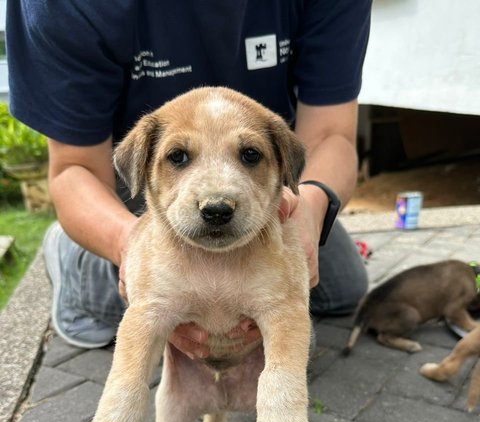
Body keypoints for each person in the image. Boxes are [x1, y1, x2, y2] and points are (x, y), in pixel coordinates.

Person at [6, 0, 371, 356]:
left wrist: (309, 208)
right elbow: (76, 168)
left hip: (257, 186)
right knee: (151, 307)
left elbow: (330, 136)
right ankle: (75, 261)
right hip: (140, 183)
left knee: (340, 289)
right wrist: (131, 245)